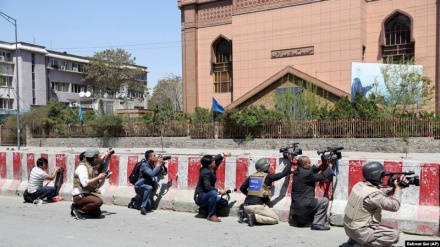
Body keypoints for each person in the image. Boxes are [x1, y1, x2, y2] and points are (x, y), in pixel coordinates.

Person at [343, 162, 408, 247]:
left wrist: (394, 189)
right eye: (382, 175)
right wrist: (399, 189)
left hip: (349, 228)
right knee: (394, 235)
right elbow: (394, 206)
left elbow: (379, 193)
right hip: (360, 231)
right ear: (377, 176)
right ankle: (362, 244)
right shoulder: (373, 195)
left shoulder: (360, 185)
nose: (383, 177)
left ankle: (354, 240)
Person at [239, 157, 291, 226]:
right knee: (275, 219)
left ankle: (243, 213)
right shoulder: (267, 177)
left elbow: (242, 188)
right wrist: (289, 160)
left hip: (246, 205)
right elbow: (284, 173)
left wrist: (251, 195)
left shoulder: (251, 176)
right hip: (257, 207)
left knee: (255, 210)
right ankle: (254, 217)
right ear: (266, 167)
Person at [290, 155, 334, 230]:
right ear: (304, 165)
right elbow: (322, 177)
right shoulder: (306, 174)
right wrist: (330, 166)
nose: (311, 164)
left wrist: (322, 163)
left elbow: (311, 170)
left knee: (307, 203)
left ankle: (301, 220)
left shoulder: (298, 171)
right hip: (303, 206)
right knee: (324, 201)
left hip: (294, 208)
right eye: (309, 163)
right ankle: (318, 223)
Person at [71, 148, 111, 219]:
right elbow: (85, 184)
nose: (97, 159)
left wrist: (104, 177)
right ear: (92, 157)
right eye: (96, 157)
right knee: (98, 202)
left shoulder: (90, 166)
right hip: (79, 195)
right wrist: (98, 178)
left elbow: (100, 160)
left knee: (96, 213)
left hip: (86, 193)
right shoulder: (82, 167)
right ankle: (79, 211)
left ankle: (76, 207)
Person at [194, 152, 231, 222]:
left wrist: (223, 154)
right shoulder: (206, 173)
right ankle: (211, 215)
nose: (214, 161)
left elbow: (214, 159)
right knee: (213, 193)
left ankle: (205, 209)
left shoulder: (206, 167)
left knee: (224, 202)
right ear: (209, 164)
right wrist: (219, 191)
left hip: (206, 196)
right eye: (213, 161)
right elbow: (207, 187)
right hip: (200, 198)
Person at [131, 150, 167, 215]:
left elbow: (161, 172)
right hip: (139, 186)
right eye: (154, 155)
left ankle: (134, 204)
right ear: (149, 158)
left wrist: (161, 165)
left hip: (146, 188)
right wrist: (158, 164)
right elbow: (152, 174)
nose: (156, 157)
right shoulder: (144, 165)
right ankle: (142, 207)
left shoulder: (152, 165)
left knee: (149, 206)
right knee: (149, 187)